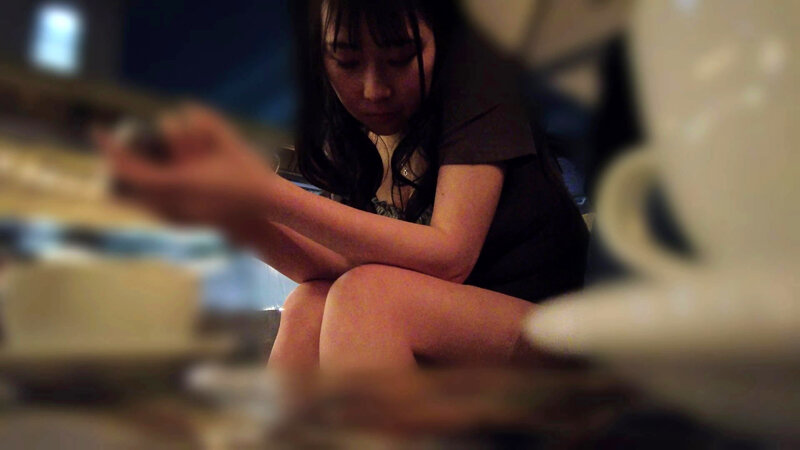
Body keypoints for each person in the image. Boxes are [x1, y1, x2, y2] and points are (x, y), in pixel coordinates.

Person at [95, 0, 589, 372]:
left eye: (401, 57)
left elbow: (450, 256)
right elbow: (333, 264)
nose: (374, 89)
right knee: (311, 303)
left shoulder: (478, 76)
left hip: (551, 328)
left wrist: (264, 193)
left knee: (366, 297)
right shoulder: (341, 126)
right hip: (440, 330)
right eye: (347, 62)